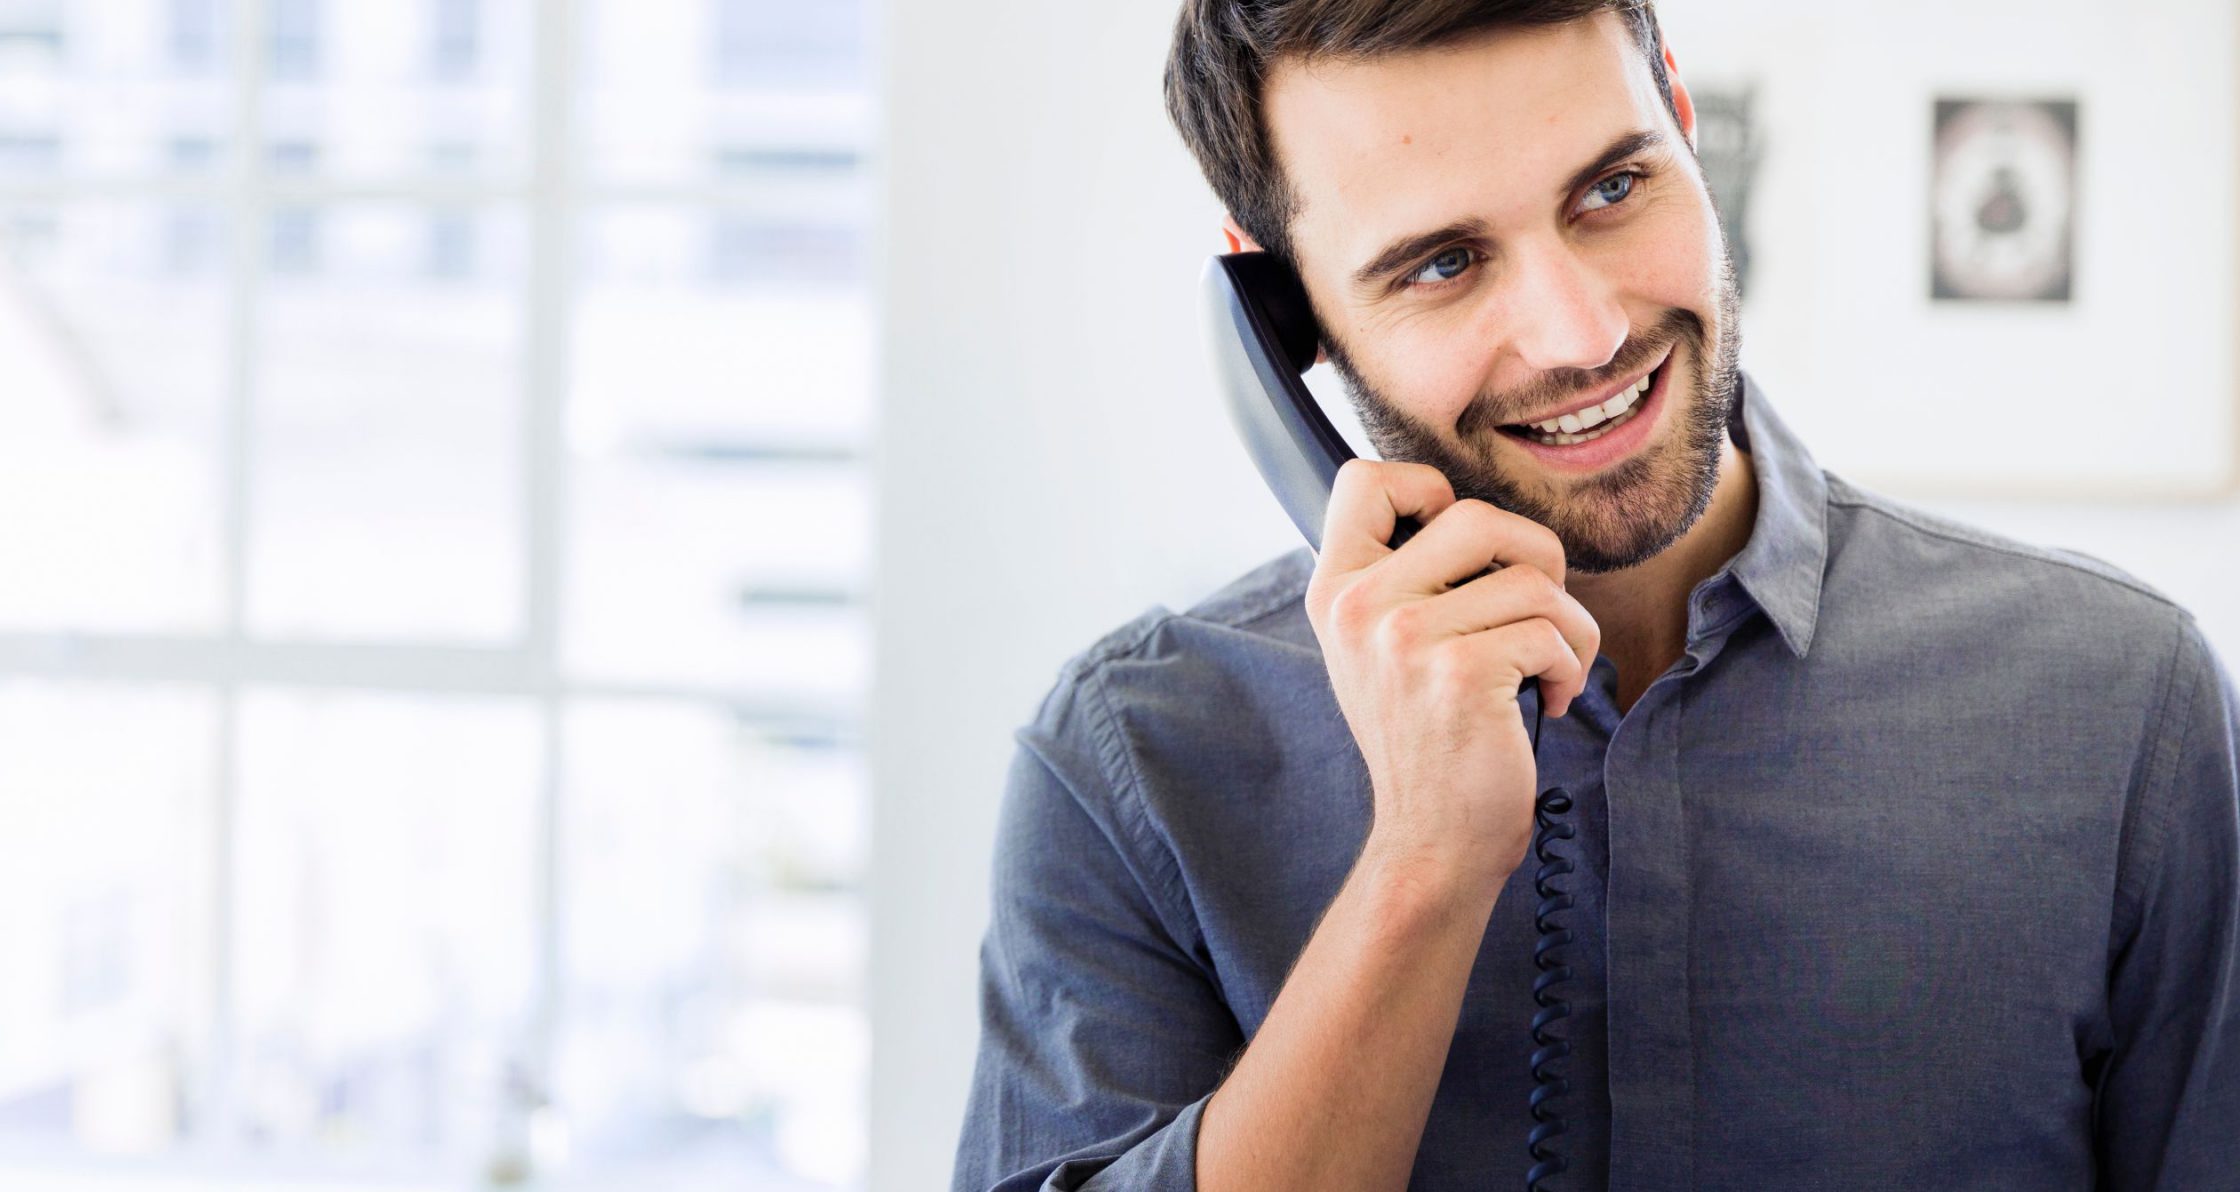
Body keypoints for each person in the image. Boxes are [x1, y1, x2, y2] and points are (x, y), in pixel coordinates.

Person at [949, 3, 2240, 1190]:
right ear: (1284, 308)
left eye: (1612, 189)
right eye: (1443, 263)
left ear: (1679, 110)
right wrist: (1425, 865)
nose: (1578, 334)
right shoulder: (1137, 755)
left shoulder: (2120, 703)